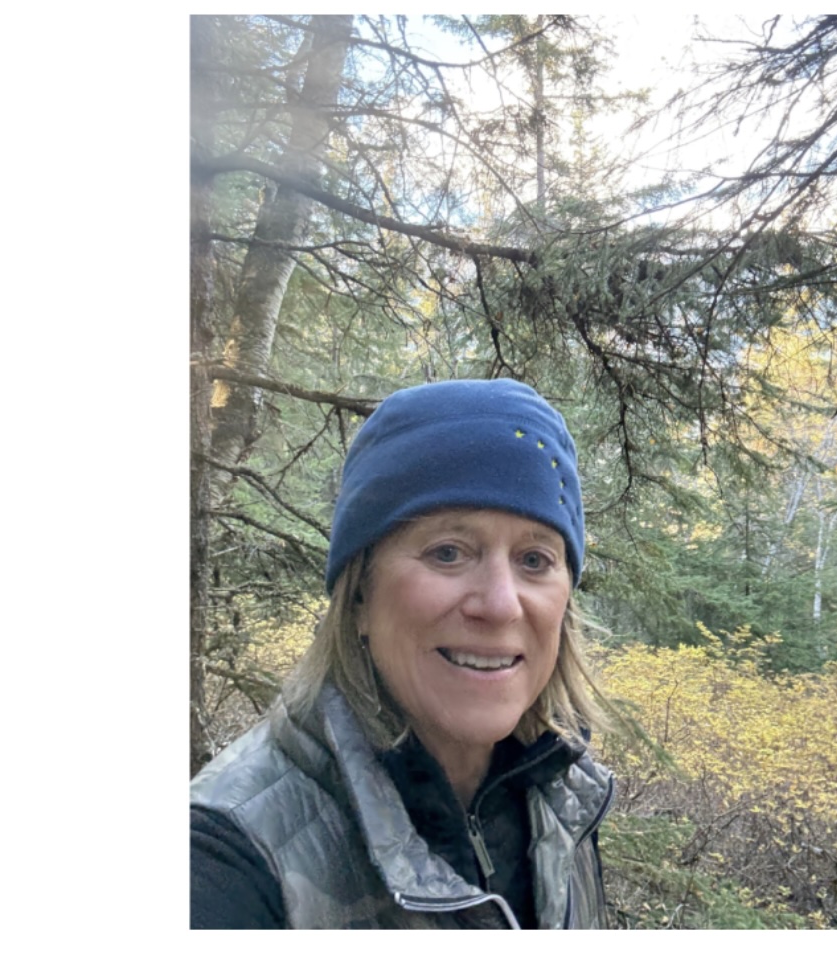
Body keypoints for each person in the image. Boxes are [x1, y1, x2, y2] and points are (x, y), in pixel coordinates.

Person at [190, 378, 616, 929]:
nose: (501, 605)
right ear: (359, 595)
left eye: (534, 560)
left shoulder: (562, 796)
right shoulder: (224, 864)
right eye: (448, 553)